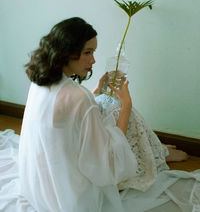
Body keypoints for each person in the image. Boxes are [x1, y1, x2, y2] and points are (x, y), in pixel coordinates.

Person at [0, 17, 199, 212]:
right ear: (67, 51)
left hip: (37, 187)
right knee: (116, 111)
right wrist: (126, 106)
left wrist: (95, 91)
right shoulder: (79, 97)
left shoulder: (40, 81)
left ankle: (157, 150)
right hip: (70, 199)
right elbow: (107, 165)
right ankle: (158, 152)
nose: (93, 60)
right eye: (88, 52)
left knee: (104, 107)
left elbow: (65, 117)